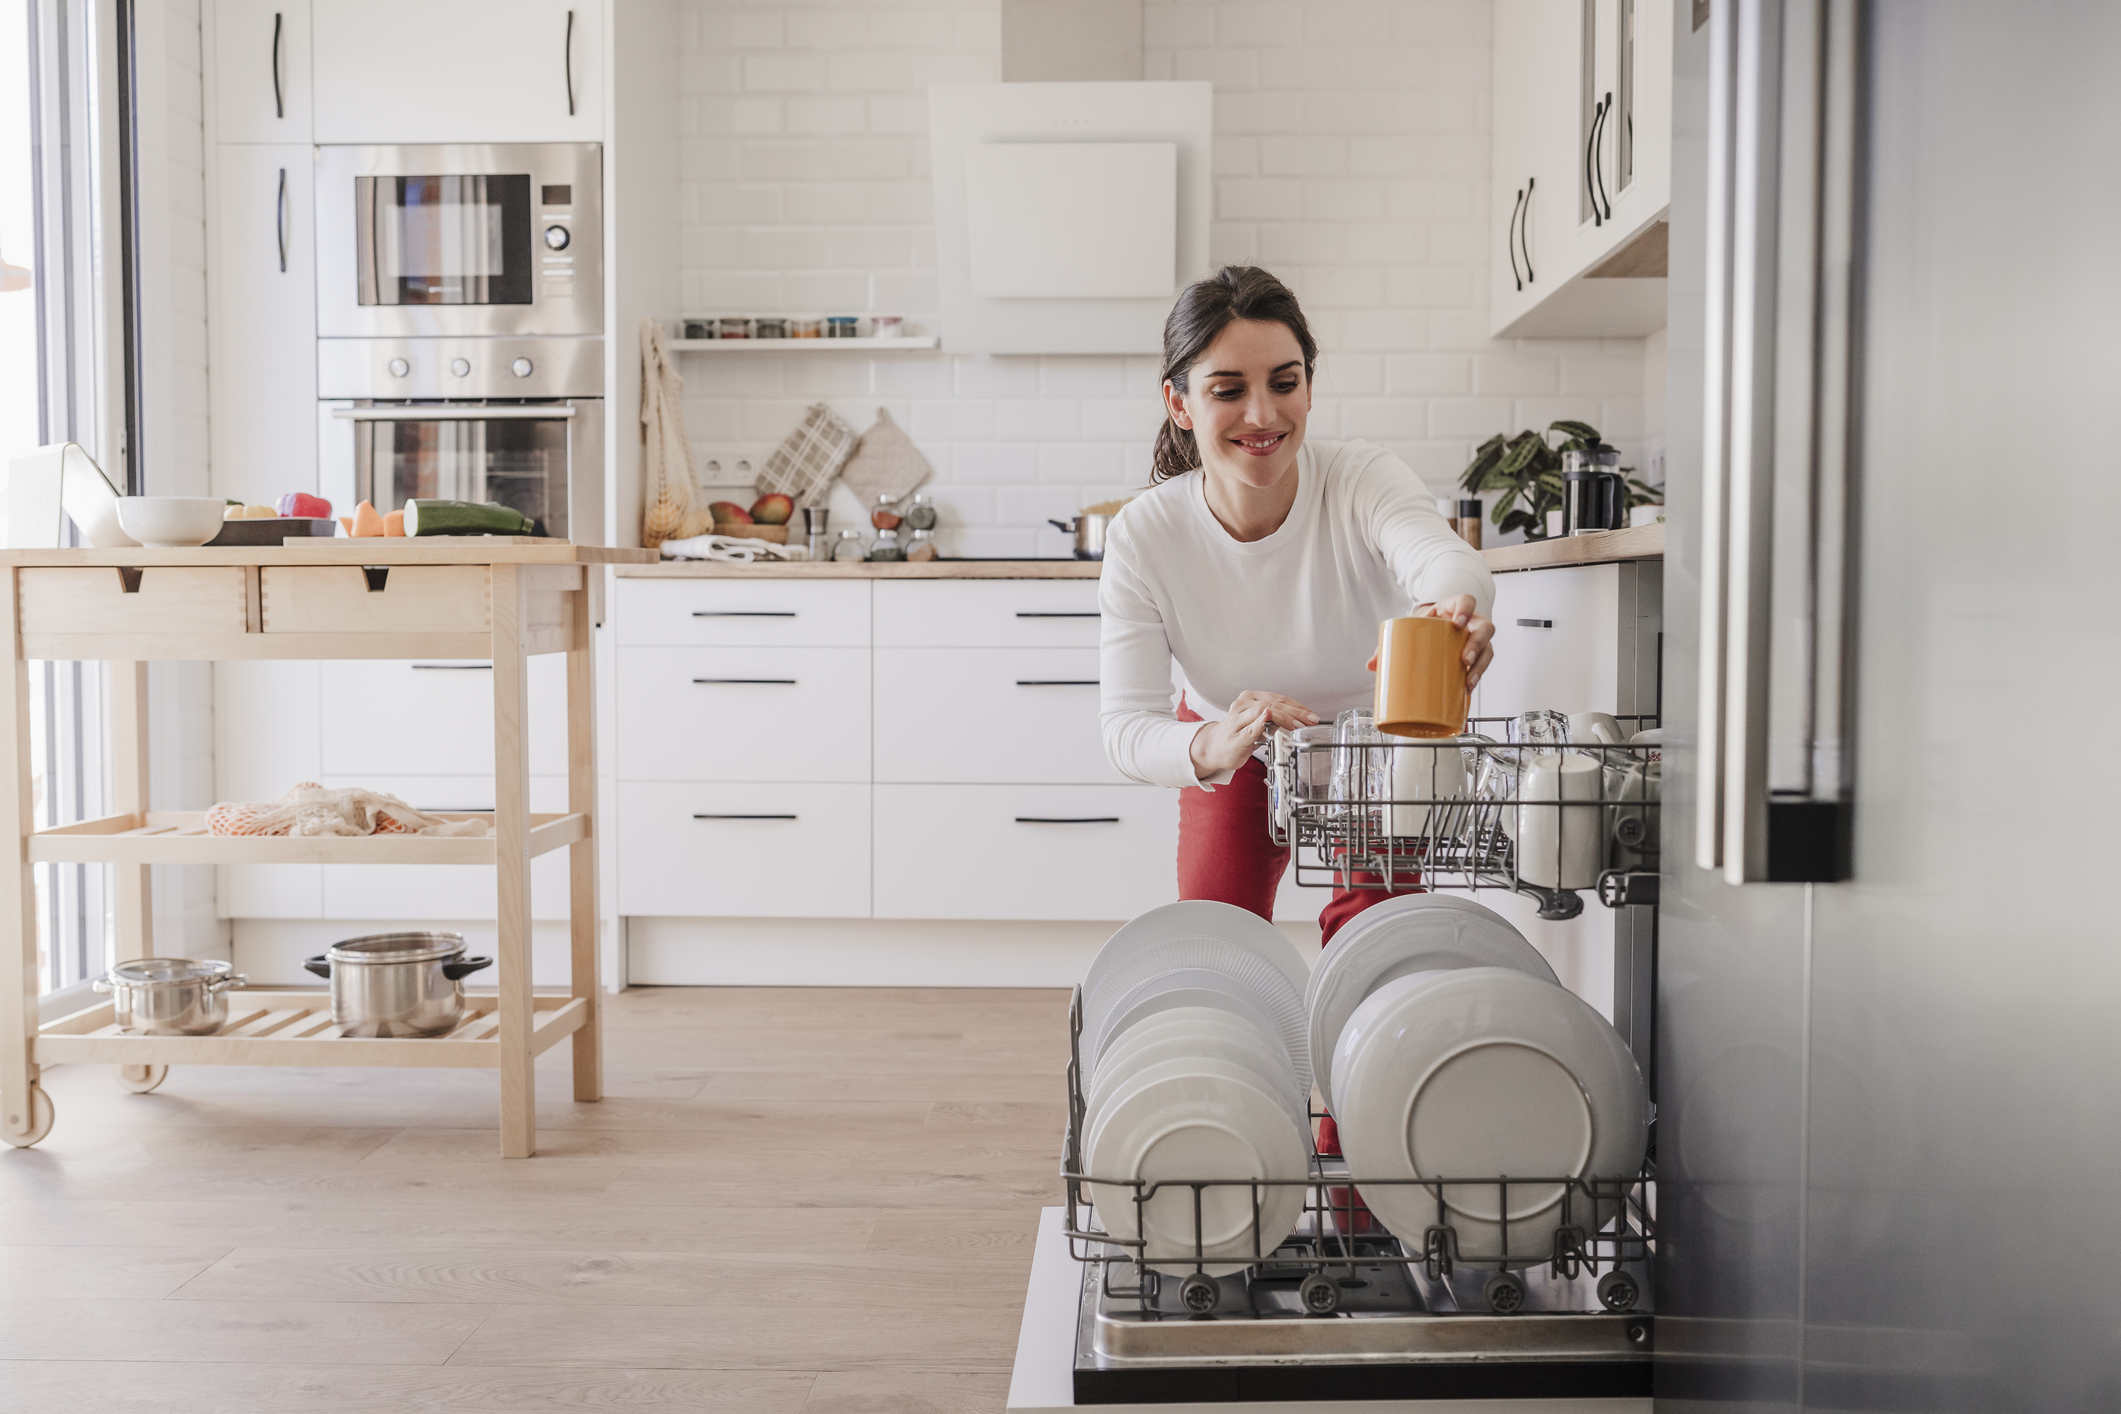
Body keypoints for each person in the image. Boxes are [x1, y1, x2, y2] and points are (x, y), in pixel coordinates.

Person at [1098, 265, 1497, 948]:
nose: (1262, 415)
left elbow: (1440, 557)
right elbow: (1126, 727)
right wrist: (1216, 741)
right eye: (1228, 390)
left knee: (1374, 937)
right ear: (1180, 403)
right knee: (1217, 936)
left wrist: (1454, 604)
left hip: (1373, 740)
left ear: (1308, 388)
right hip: (1234, 739)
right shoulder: (1144, 534)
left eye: (1284, 383)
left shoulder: (1359, 478)